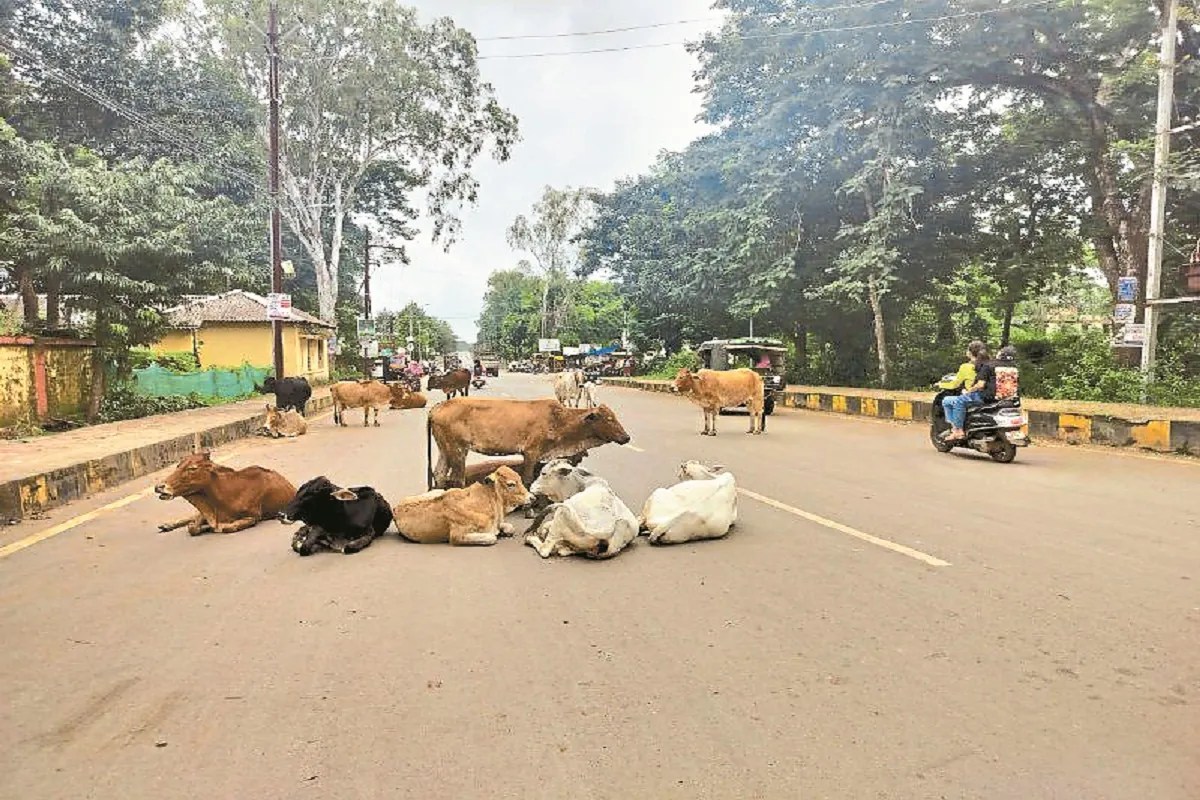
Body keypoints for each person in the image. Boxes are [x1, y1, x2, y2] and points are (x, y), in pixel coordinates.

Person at [941, 341, 994, 442]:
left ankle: (956, 429)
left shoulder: (966, 367)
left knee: (947, 401)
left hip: (978, 395)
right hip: (992, 395)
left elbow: (956, 384)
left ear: (969, 353)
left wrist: (940, 384)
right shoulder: (991, 364)